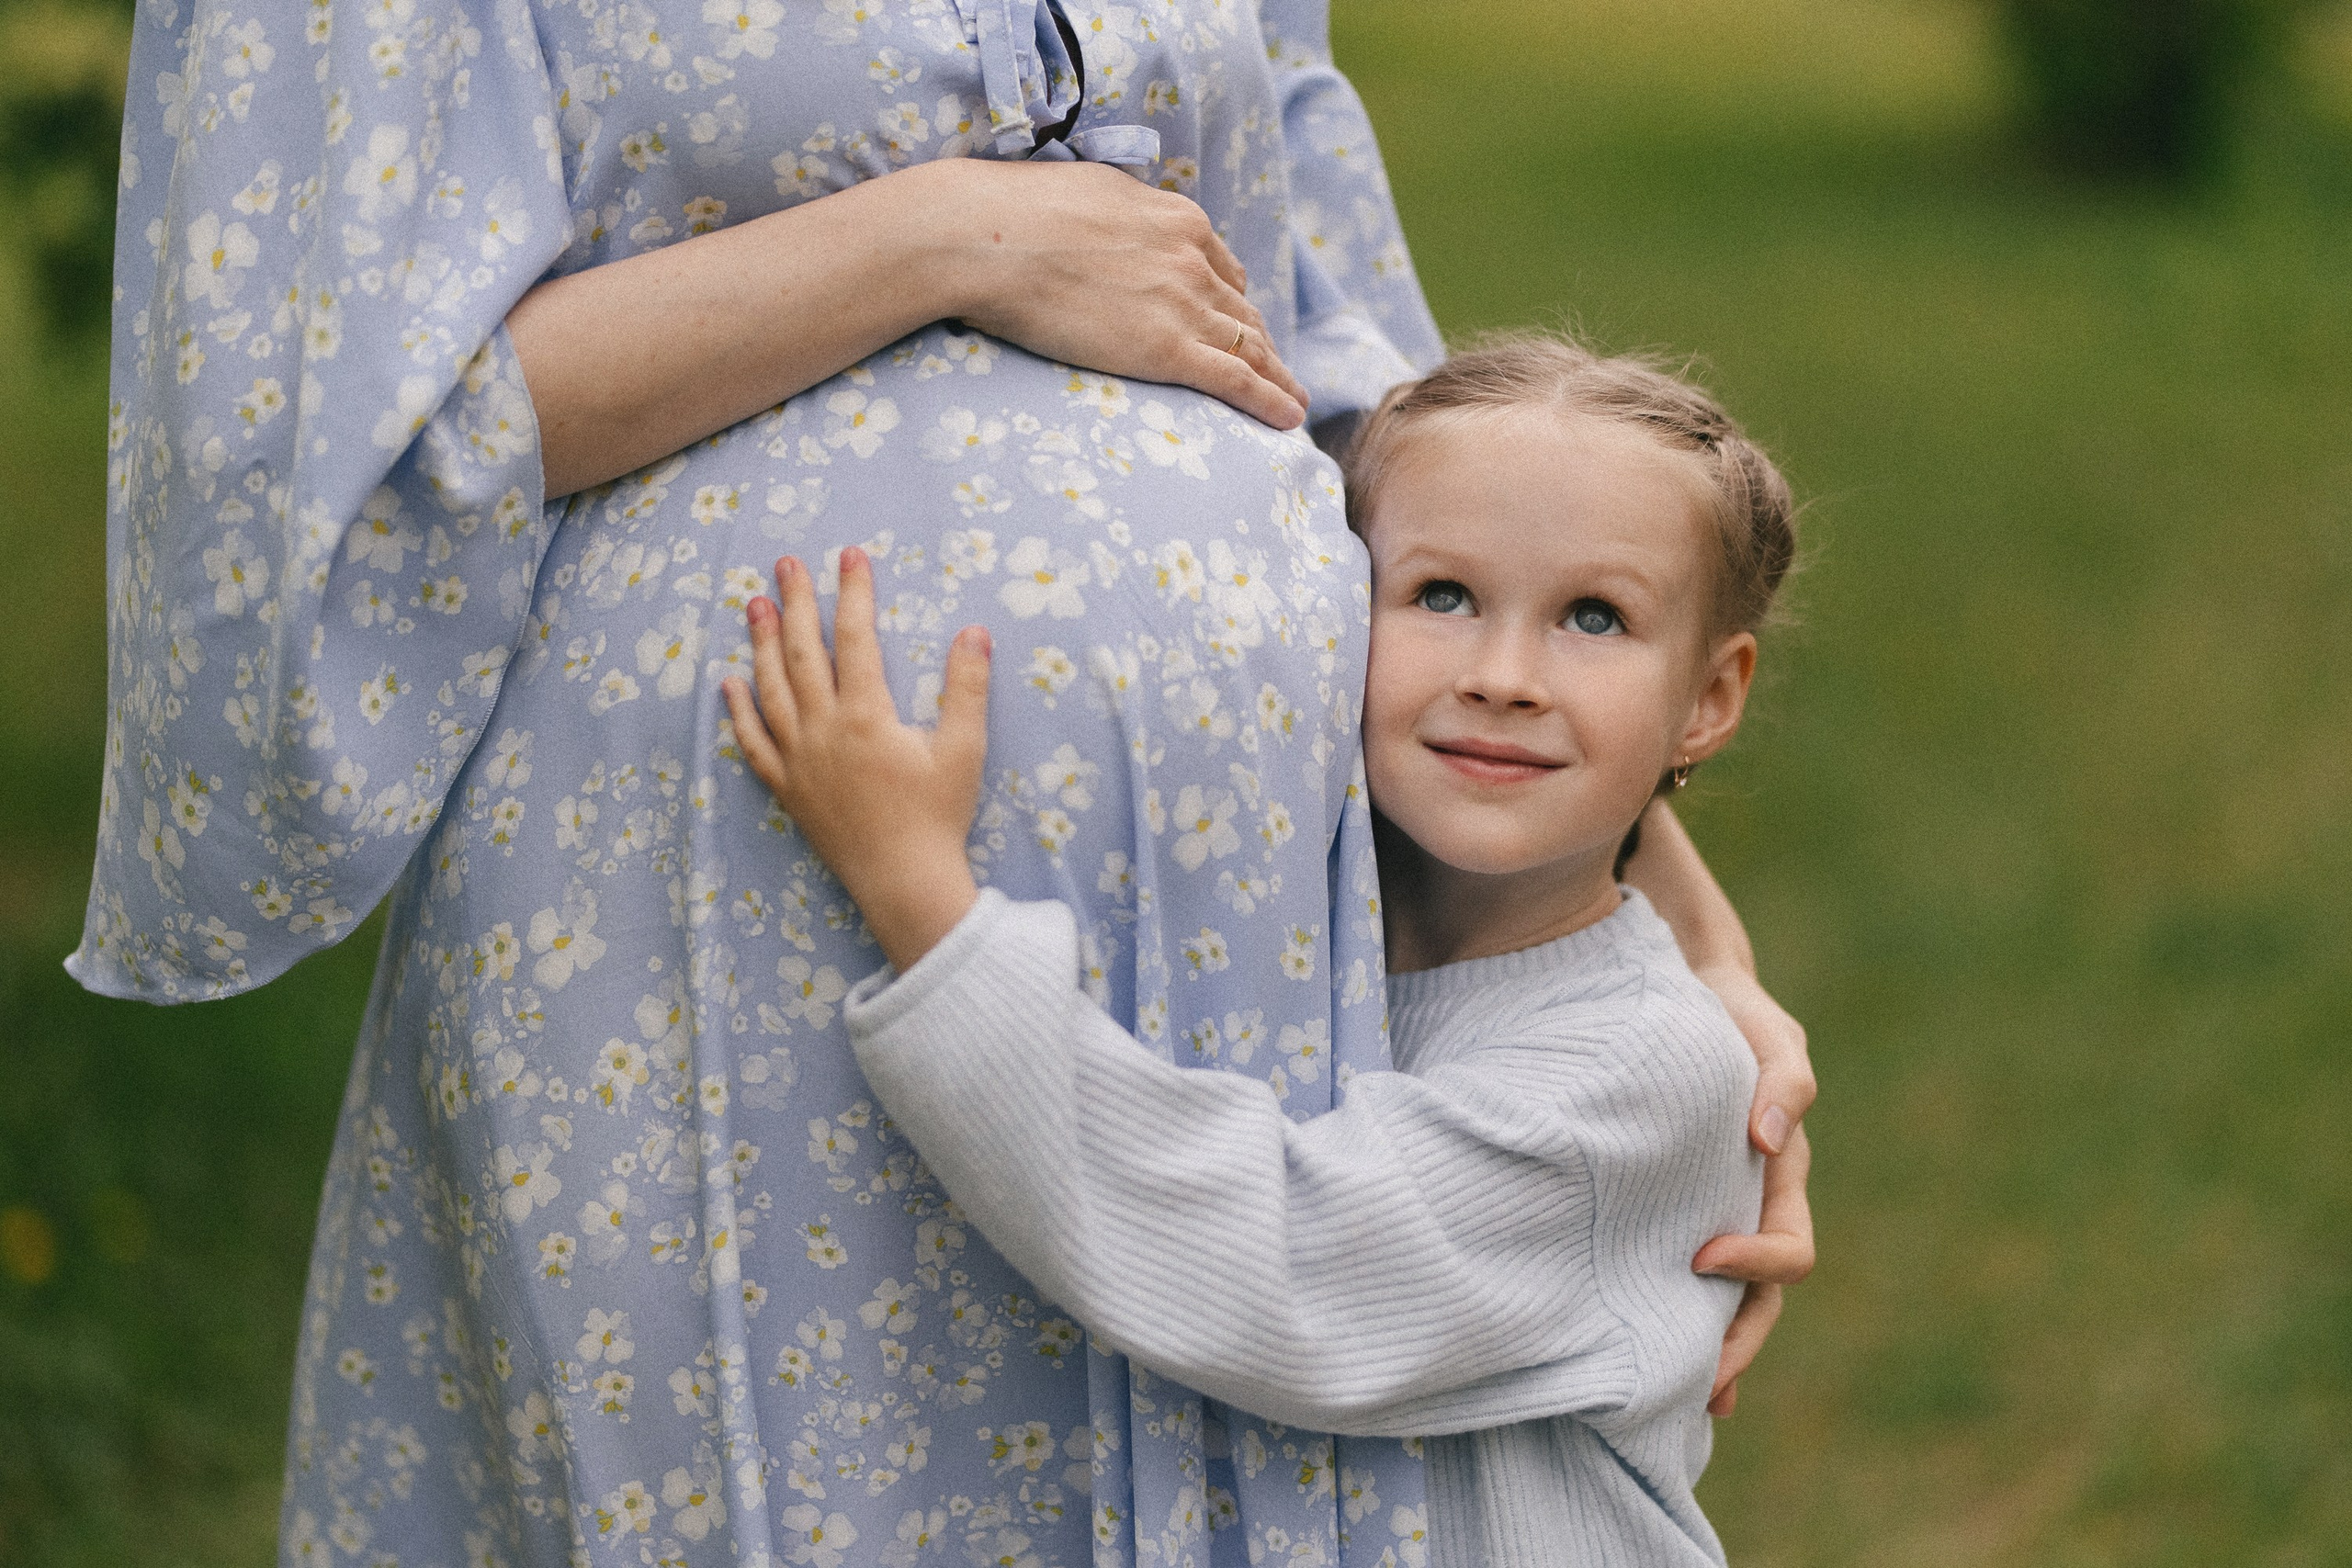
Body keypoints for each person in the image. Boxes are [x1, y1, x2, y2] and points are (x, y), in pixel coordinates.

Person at [73, 0, 1811, 1556]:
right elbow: (304, 439)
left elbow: (1380, 397)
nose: (1512, 658)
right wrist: (946, 236)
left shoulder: (1615, 1067)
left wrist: (1701, 968)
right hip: (732, 940)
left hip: (1224, 977)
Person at [720, 333, 1803, 1565]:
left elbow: (1272, 1265)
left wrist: (919, 896)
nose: (1505, 676)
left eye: (1594, 618)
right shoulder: (1313, 939)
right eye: (1442, 596)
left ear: (1710, 699)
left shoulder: (1640, 1068)